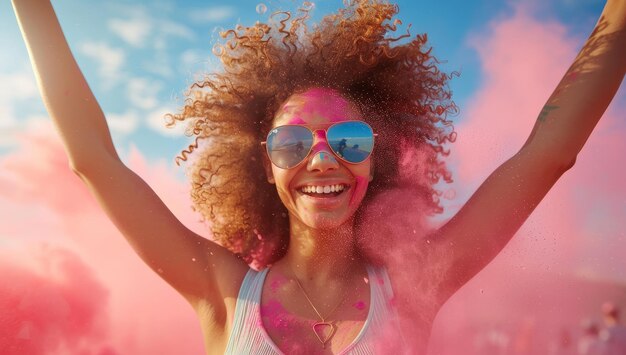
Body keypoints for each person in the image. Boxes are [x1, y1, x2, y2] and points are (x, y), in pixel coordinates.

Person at [10, 0, 626, 353]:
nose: (323, 158)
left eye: (350, 141)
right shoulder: (224, 294)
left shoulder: (412, 288)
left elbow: (547, 154)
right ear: (266, 165)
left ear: (375, 162)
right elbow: (93, 158)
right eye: (294, 142)